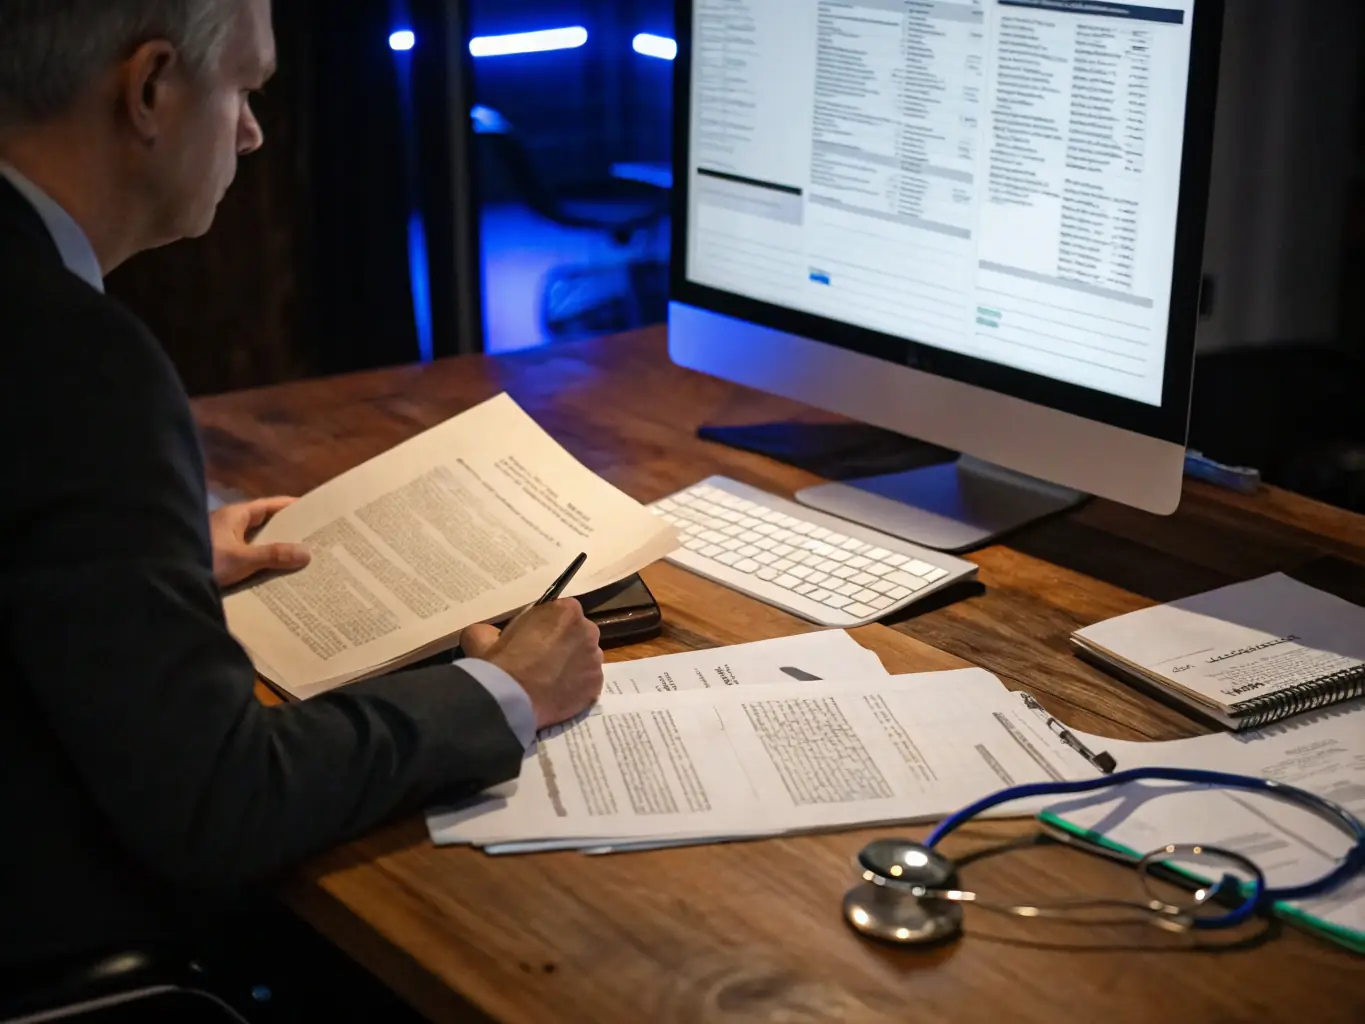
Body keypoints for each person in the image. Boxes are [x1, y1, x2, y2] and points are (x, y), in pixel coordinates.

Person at [0, 0, 604, 974]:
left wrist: (128, 562)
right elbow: (220, 804)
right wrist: (504, 689)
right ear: (150, 88)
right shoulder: (75, 362)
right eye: (242, 86)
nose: (251, 130)